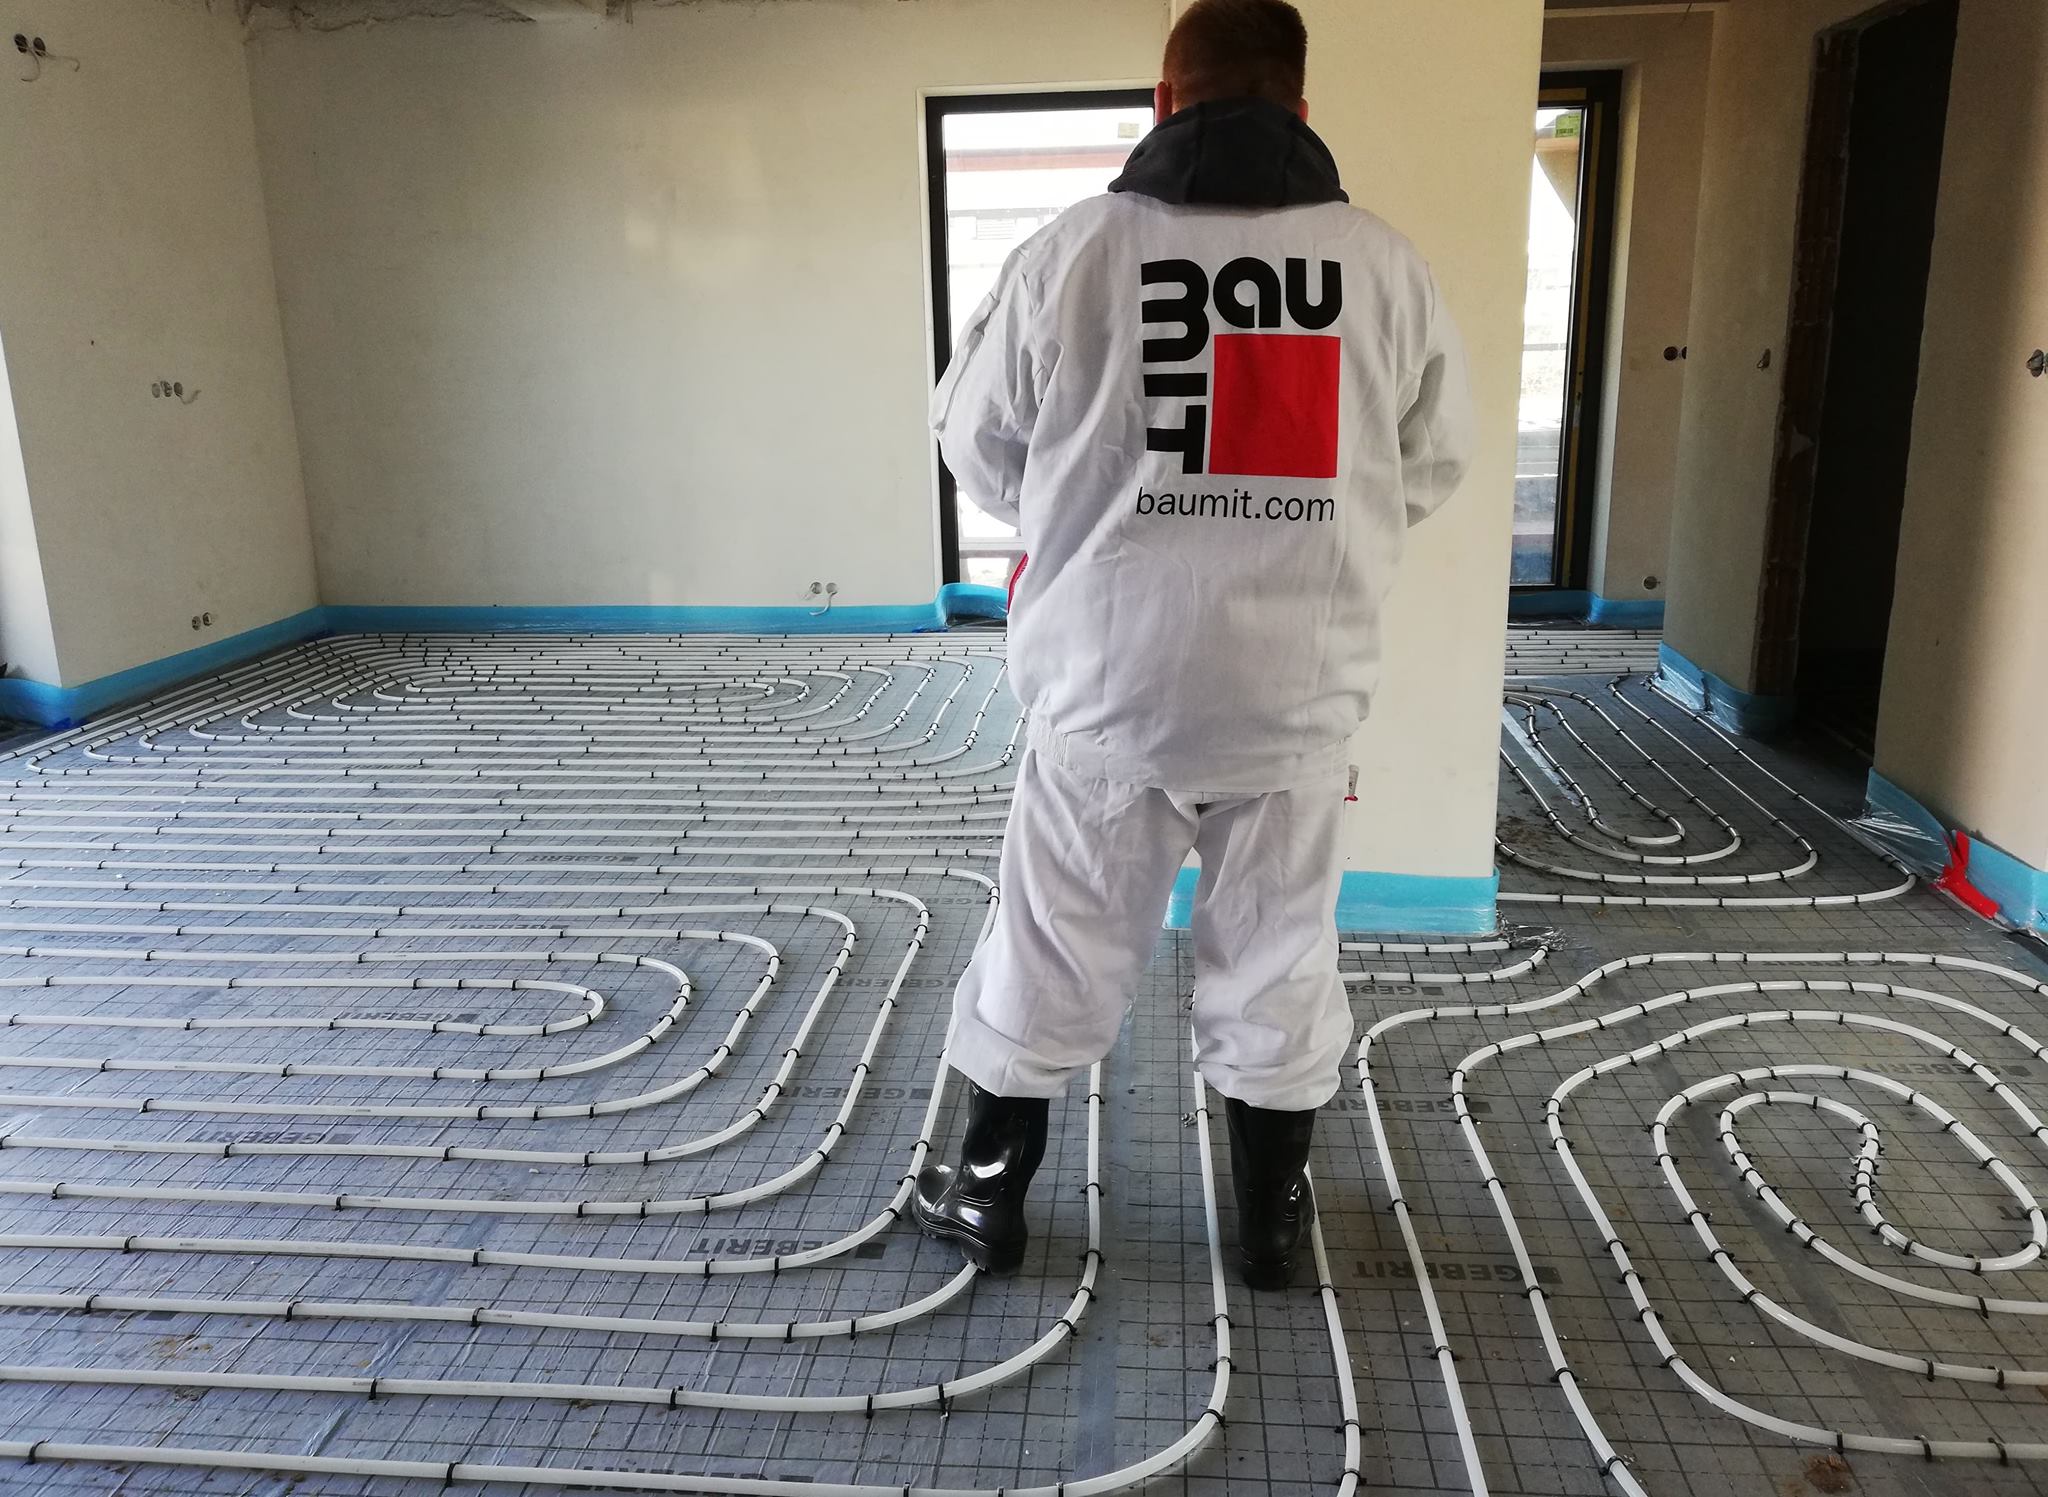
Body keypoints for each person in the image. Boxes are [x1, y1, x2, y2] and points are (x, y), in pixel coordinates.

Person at [914, 0, 1475, 1290]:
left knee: (1053, 936)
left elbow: (980, 446)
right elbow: (1427, 465)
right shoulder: (1385, 268)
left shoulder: (1072, 253)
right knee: (1280, 949)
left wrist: (1089, 512)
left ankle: (989, 1198)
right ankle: (1270, 1227)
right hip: (1295, 693)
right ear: (1301, 107)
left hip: (1108, 687)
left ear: (1164, 101)